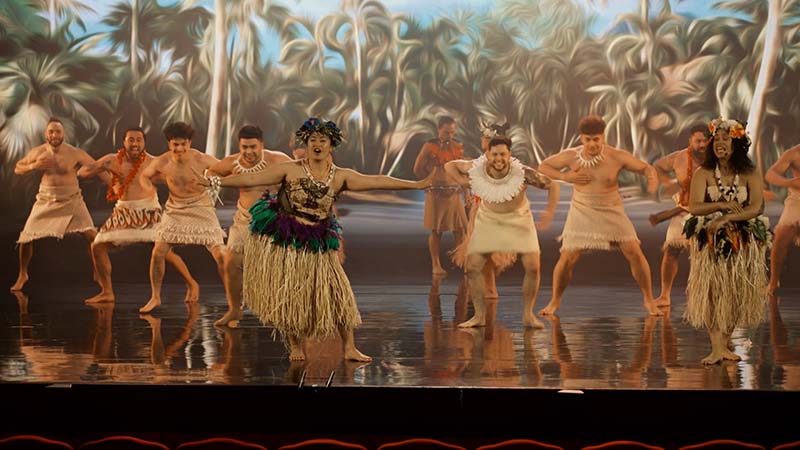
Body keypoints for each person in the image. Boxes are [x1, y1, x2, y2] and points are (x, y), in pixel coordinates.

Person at [198, 117, 433, 362]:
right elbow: (250, 179)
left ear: (331, 145)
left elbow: (377, 181)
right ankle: (296, 346)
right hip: (291, 243)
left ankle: (349, 347)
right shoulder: (291, 169)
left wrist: (416, 184)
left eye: (322, 140)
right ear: (307, 143)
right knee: (292, 296)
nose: (317, 144)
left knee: (340, 294)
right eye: (312, 140)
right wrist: (215, 181)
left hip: (320, 243)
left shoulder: (340, 176)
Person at [536, 115, 662, 316]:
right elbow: (543, 167)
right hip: (582, 208)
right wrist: (565, 176)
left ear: (603, 137)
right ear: (582, 138)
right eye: (588, 140)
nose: (592, 144)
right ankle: (554, 301)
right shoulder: (571, 156)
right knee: (568, 257)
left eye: (596, 139)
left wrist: (652, 180)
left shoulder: (616, 156)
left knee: (633, 251)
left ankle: (649, 300)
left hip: (611, 208)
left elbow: (646, 168)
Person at [445, 135, 559, 328]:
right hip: (488, 219)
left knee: (533, 266)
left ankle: (528, 315)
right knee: (473, 267)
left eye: (503, 155)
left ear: (509, 155)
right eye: (495, 154)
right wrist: (462, 182)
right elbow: (449, 166)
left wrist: (549, 211)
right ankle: (479, 316)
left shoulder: (523, 173)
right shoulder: (476, 167)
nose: (499, 159)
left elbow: (552, 185)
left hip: (519, 220)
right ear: (488, 154)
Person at [683, 117, 770, 365]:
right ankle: (716, 348)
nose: (720, 143)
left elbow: (757, 207)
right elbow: (694, 206)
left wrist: (727, 218)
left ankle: (724, 345)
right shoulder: (704, 173)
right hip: (710, 241)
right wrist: (721, 205)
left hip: (741, 242)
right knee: (712, 292)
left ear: (737, 144)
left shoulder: (749, 172)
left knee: (734, 291)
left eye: (726, 139)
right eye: (716, 139)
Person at [78, 126, 198, 304]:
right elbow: (82, 173)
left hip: (148, 211)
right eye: (131, 140)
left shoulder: (154, 163)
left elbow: (175, 179)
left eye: (139, 140)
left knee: (164, 252)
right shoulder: (112, 160)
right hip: (123, 212)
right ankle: (107, 292)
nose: (135, 144)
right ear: (124, 142)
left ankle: (192, 283)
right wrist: (105, 170)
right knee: (97, 246)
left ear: (144, 143)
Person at [206, 125, 292, 327]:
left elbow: (299, 174)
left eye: (253, 147)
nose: (248, 151)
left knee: (276, 267)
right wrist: (219, 180)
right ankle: (235, 310)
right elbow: (212, 171)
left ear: (261, 144)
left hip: (272, 220)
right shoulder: (232, 162)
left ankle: (280, 308)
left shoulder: (277, 159)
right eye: (244, 147)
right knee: (231, 264)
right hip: (244, 220)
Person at [138, 122, 226, 313]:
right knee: (158, 252)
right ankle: (155, 297)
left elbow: (226, 169)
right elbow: (144, 176)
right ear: (169, 143)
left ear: (189, 142)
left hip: (201, 207)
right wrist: (149, 188)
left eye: (183, 144)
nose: (179, 148)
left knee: (221, 255)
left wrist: (212, 180)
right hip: (175, 208)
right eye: (175, 144)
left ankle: (233, 299)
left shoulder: (201, 158)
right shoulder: (162, 162)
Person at [12, 118, 100, 291]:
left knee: (92, 236)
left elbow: (97, 166)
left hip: (72, 199)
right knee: (26, 238)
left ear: (63, 134)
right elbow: (18, 168)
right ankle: (23, 274)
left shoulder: (74, 153)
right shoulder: (38, 152)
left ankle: (98, 270)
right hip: (46, 199)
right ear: (46, 134)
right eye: (51, 131)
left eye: (58, 131)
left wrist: (114, 184)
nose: (54, 135)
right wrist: (33, 166)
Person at [450, 121, 522, 299]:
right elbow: (450, 166)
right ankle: (482, 294)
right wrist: (463, 183)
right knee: (477, 258)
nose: (483, 140)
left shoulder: (507, 165)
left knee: (487, 256)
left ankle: (489, 293)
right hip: (480, 210)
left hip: (494, 212)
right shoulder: (480, 163)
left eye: (486, 138)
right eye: (483, 138)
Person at [651, 125, 708, 306]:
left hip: (709, 209)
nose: (702, 145)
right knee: (671, 249)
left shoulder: (716, 158)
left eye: (705, 140)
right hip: (683, 207)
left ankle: (703, 295)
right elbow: (658, 166)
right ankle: (665, 295)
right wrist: (668, 184)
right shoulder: (679, 157)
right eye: (698, 141)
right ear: (690, 141)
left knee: (704, 253)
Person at [413, 116, 468, 275]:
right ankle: (435, 264)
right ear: (439, 130)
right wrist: (428, 182)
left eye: (452, 132)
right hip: (436, 194)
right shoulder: (429, 146)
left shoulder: (458, 146)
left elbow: (462, 171)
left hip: (454, 193)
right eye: (446, 132)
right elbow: (417, 168)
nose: (449, 135)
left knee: (460, 229)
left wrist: (467, 193)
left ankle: (460, 261)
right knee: (437, 231)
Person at [764, 143, 800, 294]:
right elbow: (770, 174)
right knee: (781, 237)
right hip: (797, 199)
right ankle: (773, 282)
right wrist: (789, 182)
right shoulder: (794, 153)